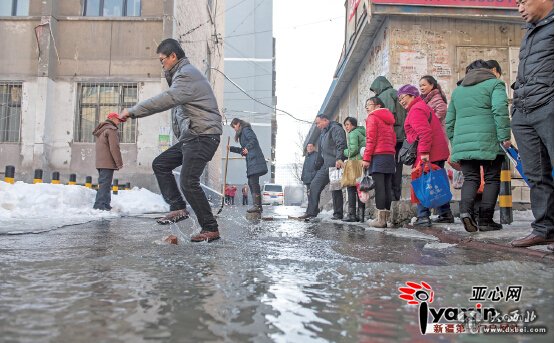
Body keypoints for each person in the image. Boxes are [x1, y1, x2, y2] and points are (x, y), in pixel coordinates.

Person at [119, 38, 222, 243]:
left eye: (162, 60)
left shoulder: (186, 75)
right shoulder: (181, 76)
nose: (162, 64)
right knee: (161, 163)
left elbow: (164, 100)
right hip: (193, 135)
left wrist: (132, 112)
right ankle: (177, 208)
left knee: (188, 181)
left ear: (173, 56)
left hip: (203, 135)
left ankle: (210, 228)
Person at [446, 59, 512, 232]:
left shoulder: (458, 91)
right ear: (488, 70)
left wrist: (456, 143)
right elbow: (500, 110)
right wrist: (505, 137)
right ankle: (485, 220)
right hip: (490, 140)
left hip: (463, 143)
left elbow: (449, 121)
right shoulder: (495, 84)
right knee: (491, 179)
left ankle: (466, 212)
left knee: (471, 179)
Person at [510, 0, 554, 248]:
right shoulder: (530, 31)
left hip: (549, 106)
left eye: (523, 1)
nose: (519, 8)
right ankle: (544, 228)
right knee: (536, 175)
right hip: (525, 110)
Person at [398, 84, 451, 227]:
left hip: (428, 152)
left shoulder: (416, 110)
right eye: (399, 99)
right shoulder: (421, 107)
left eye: (403, 97)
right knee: (437, 182)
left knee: (422, 183)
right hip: (437, 151)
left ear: (412, 95)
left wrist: (424, 153)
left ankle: (423, 217)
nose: (401, 101)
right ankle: (445, 213)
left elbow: (424, 132)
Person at [298, 114, 347, 221]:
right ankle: (311, 212)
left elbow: (341, 144)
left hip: (335, 164)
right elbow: (321, 152)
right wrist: (317, 165)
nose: (317, 125)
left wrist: (339, 159)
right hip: (325, 165)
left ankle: (338, 214)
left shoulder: (335, 129)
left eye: (318, 123)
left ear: (325, 120)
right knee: (314, 185)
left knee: (336, 189)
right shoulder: (323, 133)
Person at [361, 97, 397, 228]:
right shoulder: (388, 119)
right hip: (389, 155)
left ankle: (380, 220)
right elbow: (393, 139)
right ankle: (386, 219)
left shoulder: (373, 117)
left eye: (369, 105)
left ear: (377, 105)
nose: (367, 108)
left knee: (380, 187)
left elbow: (371, 139)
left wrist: (366, 158)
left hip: (378, 155)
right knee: (387, 186)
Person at [370, 76, 406, 201]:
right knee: (398, 166)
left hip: (392, 138)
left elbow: (387, 116)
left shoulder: (385, 95)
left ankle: (391, 197)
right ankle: (396, 195)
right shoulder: (396, 93)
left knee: (389, 168)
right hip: (402, 135)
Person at [229, 118, 268, 214]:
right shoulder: (242, 134)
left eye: (234, 127)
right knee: (251, 182)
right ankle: (258, 206)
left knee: (253, 182)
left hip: (255, 160)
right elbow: (243, 150)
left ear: (238, 124)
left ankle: (257, 206)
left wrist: (248, 147)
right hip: (251, 161)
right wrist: (231, 148)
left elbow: (253, 140)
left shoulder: (246, 129)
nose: (234, 129)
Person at [93, 112, 125, 211]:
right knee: (105, 184)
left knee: (105, 184)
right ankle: (100, 205)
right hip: (107, 162)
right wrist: (119, 163)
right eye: (118, 119)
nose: (119, 122)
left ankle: (105, 204)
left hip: (101, 162)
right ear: (112, 118)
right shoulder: (111, 129)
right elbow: (114, 147)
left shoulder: (102, 129)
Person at [342, 117, 366, 223]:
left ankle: (352, 215)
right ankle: (361, 216)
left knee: (351, 188)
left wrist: (344, 152)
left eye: (347, 124)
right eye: (345, 125)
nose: (346, 127)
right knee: (360, 189)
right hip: (361, 162)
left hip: (354, 162)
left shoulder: (352, 133)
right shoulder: (361, 132)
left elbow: (353, 150)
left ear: (353, 125)